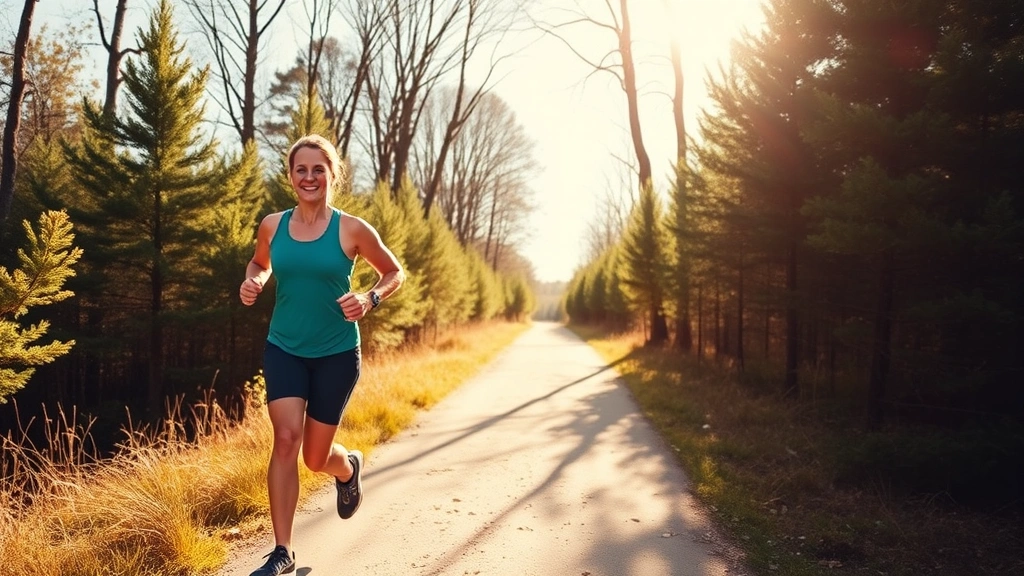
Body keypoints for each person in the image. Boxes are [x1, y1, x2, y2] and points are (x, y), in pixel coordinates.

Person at [239, 134, 405, 576]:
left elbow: (394, 272)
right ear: (291, 176)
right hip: (284, 348)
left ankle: (347, 468)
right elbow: (260, 263)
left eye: (318, 169)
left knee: (315, 458)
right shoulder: (273, 225)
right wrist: (253, 280)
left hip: (335, 352)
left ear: (332, 175)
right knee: (286, 439)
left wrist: (370, 299)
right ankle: (282, 551)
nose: (309, 177)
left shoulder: (351, 228)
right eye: (301, 170)